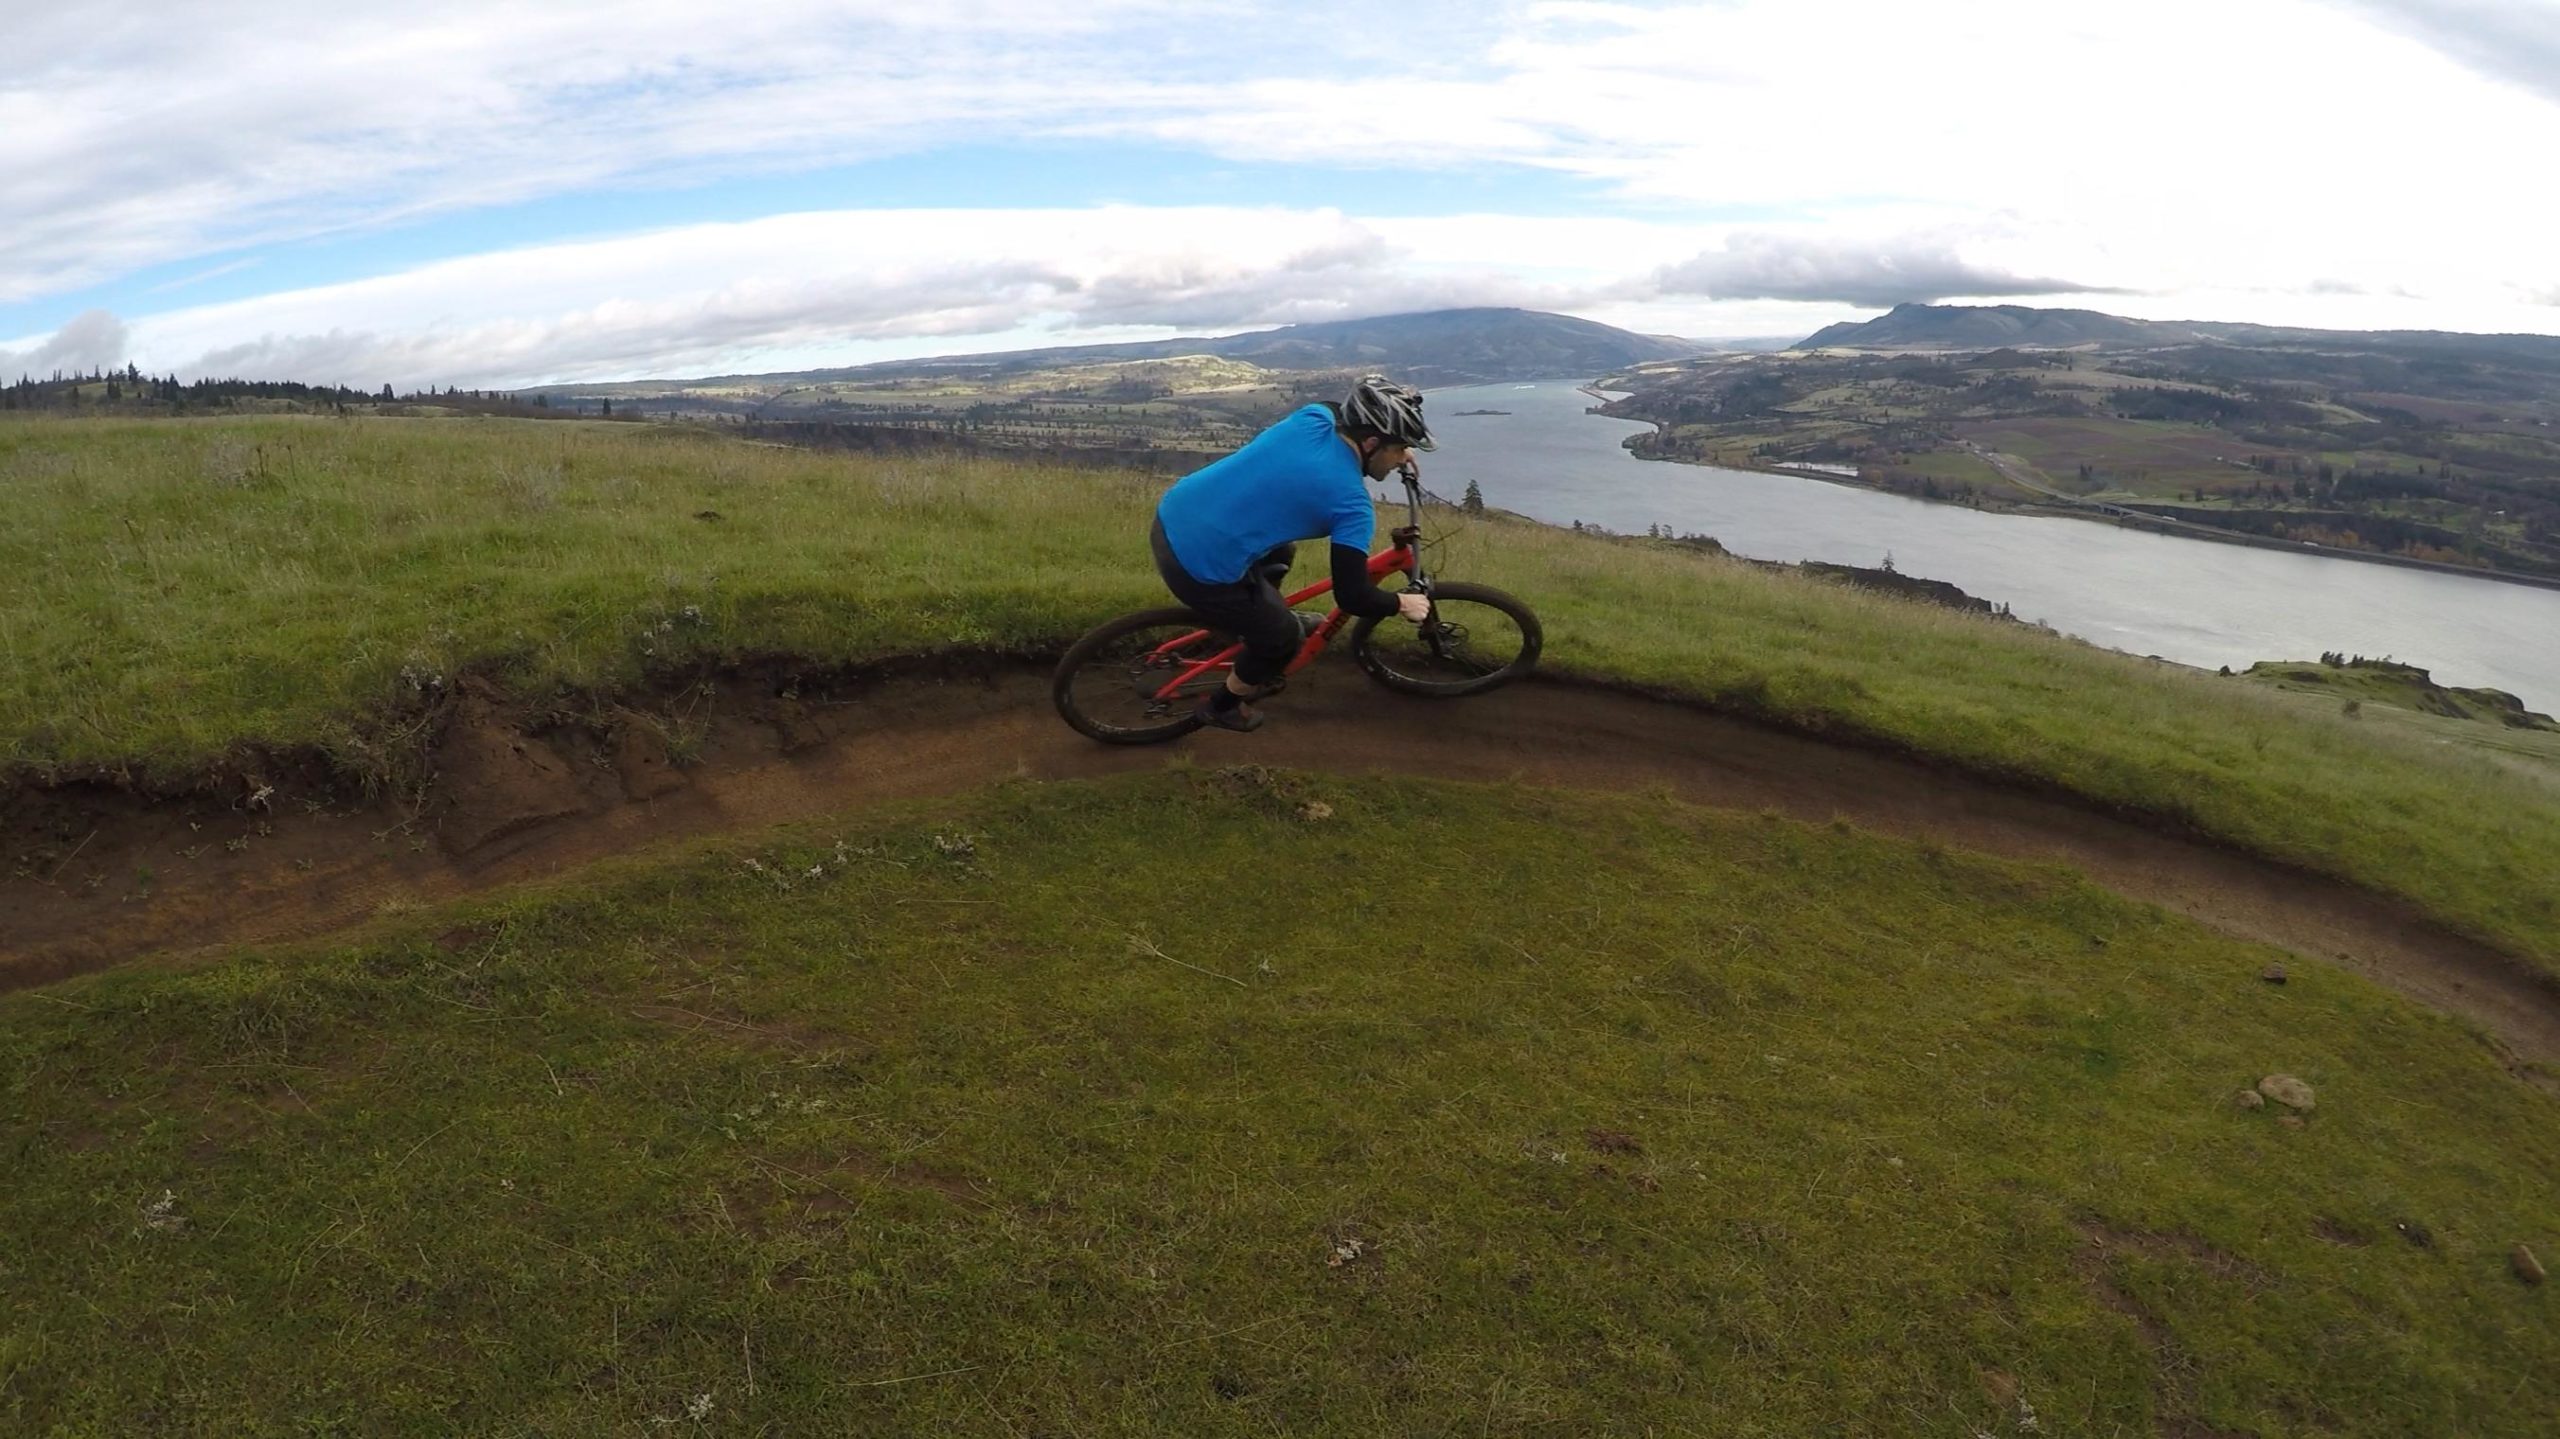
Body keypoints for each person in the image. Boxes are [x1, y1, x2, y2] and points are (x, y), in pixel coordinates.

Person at [1151, 374, 1437, 732]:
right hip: (1197, 566)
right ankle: (1223, 705)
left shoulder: (1314, 418)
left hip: (1174, 512)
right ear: (1372, 442)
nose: (1400, 458)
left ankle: (1251, 622)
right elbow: (1352, 596)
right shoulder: (1351, 503)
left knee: (1282, 550)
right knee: (1281, 640)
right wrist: (1401, 604)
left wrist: (1396, 446)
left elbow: (1341, 411)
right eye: (1399, 448)